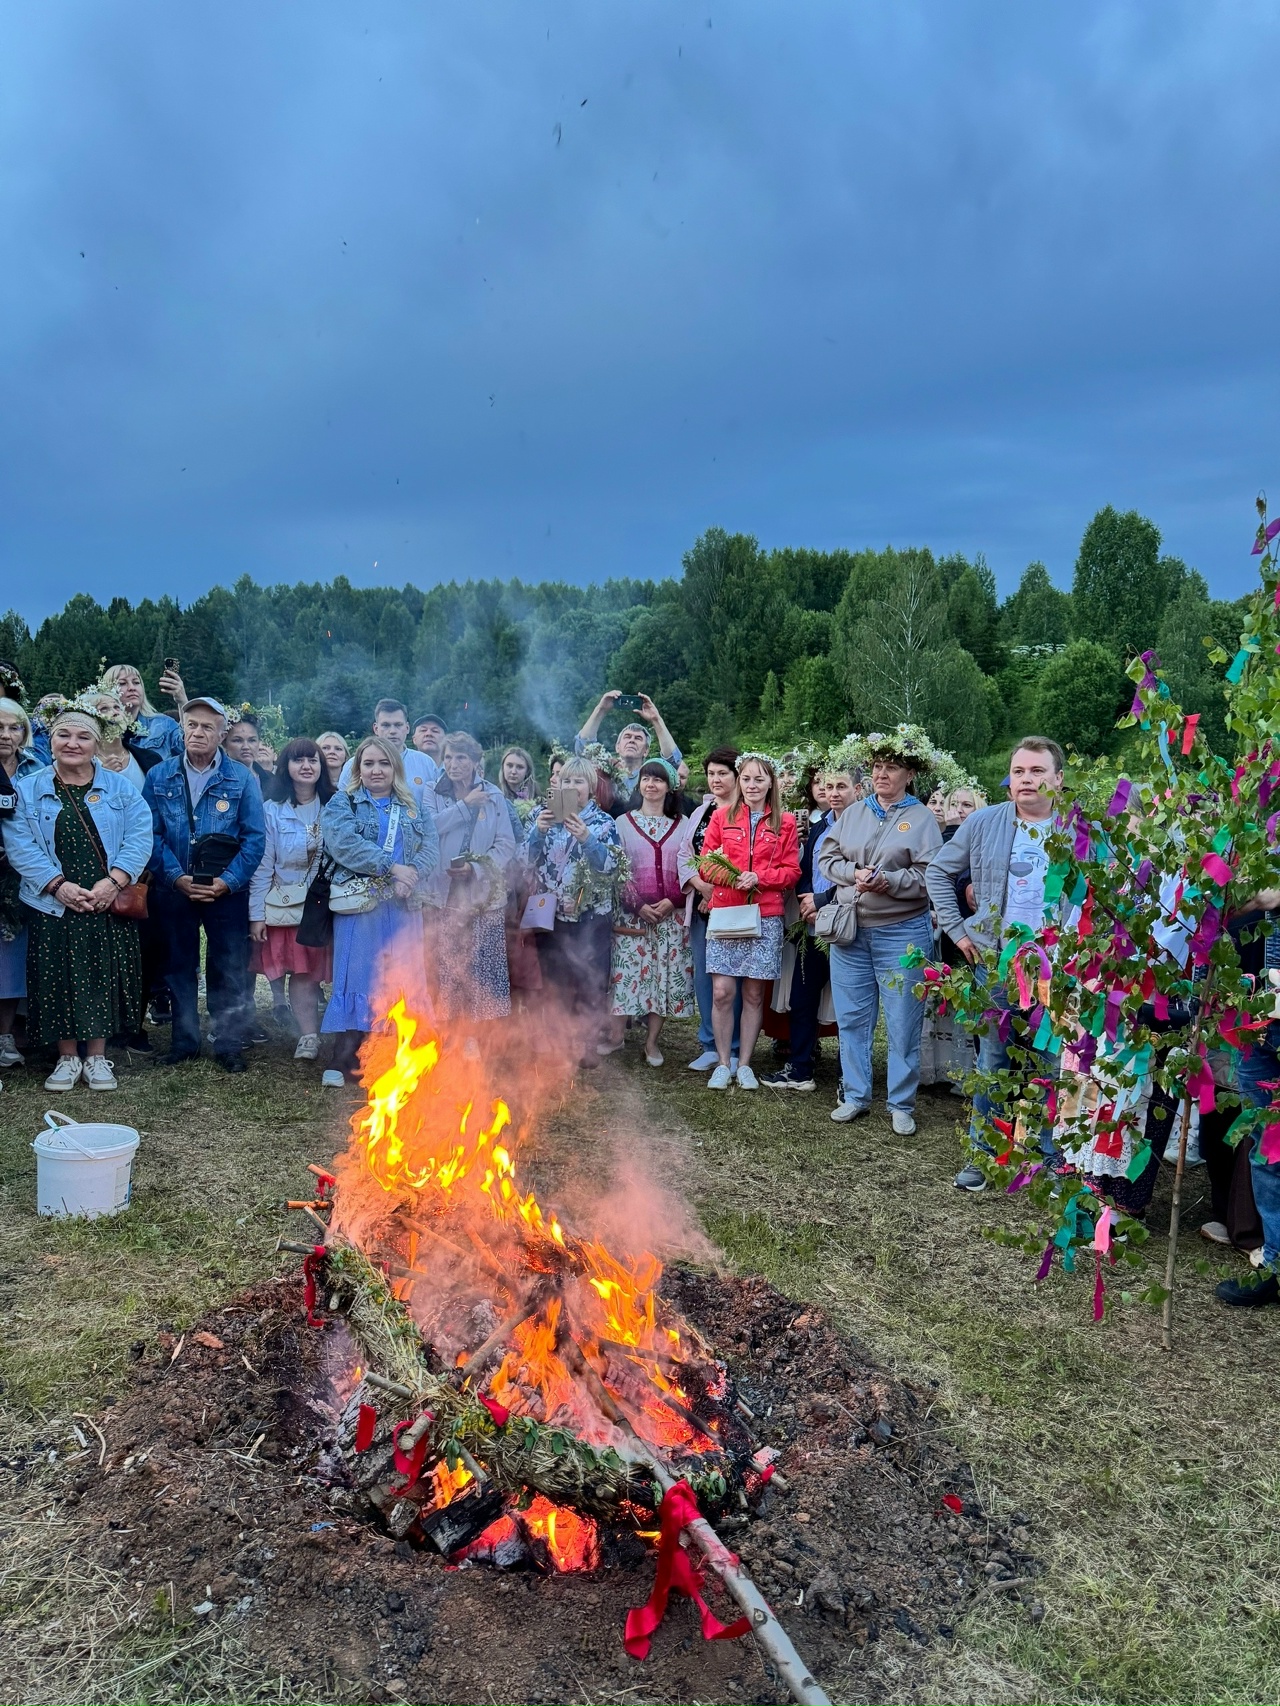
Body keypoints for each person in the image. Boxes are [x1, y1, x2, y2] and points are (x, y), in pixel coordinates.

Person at [925, 737, 1066, 1190]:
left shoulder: (1078, 830)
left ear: (1058, 779)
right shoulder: (984, 822)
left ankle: (1050, 1157)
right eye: (1019, 771)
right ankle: (983, 1155)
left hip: (1058, 967)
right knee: (992, 1058)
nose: (1026, 779)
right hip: (997, 962)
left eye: (1037, 771)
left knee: (1053, 1062)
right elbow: (938, 872)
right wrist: (958, 931)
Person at [2, 706, 153, 1091]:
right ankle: (67, 1058)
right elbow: (20, 845)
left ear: (97, 743)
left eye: (83, 737)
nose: (73, 743)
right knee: (56, 977)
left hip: (105, 898)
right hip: (52, 901)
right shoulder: (28, 789)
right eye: (64, 735)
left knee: (100, 974)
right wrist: (57, 885)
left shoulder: (120, 788)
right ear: (50, 740)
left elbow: (140, 836)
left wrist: (113, 882)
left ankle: (97, 1057)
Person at [818, 736, 943, 1131]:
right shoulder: (854, 812)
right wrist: (852, 873)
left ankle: (901, 1103)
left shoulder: (922, 819)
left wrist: (889, 881)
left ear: (910, 773)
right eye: (876, 766)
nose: (881, 774)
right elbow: (827, 858)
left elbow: (930, 875)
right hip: (851, 931)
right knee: (852, 1018)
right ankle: (855, 1095)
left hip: (902, 933)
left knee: (903, 1020)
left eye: (891, 767)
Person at [144, 696, 266, 1073]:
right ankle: (184, 1042)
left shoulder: (242, 778)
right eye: (192, 725)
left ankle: (228, 1042)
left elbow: (255, 839)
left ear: (222, 733)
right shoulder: (159, 775)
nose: (198, 732)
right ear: (182, 729)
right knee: (178, 965)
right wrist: (175, 877)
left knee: (228, 966)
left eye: (207, 727)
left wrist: (228, 882)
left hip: (226, 892)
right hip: (174, 889)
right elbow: (149, 834)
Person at [320, 737, 439, 1084]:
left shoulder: (413, 805)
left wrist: (411, 874)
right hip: (361, 906)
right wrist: (391, 868)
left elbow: (430, 847)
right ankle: (345, 1056)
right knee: (358, 975)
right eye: (368, 763)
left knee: (403, 976)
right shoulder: (344, 802)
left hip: (403, 905)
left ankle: (398, 1055)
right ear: (358, 768)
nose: (376, 770)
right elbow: (343, 844)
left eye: (384, 763)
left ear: (395, 767)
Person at [699, 754, 801, 1091]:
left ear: (771, 783)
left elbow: (792, 871)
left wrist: (760, 877)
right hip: (727, 912)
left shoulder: (785, 822)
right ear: (739, 782)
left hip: (765, 915)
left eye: (759, 779)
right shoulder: (721, 817)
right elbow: (705, 864)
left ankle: (744, 1064)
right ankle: (723, 1063)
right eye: (746, 779)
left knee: (754, 994)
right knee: (722, 992)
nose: (752, 785)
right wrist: (732, 877)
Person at [763, 764, 858, 1091]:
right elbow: (804, 869)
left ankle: (850, 1075)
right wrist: (807, 900)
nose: (833, 793)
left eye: (841, 786)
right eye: (829, 787)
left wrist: (822, 901)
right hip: (813, 926)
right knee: (802, 999)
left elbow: (859, 873)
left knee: (849, 1005)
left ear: (858, 790)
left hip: (848, 926)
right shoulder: (818, 827)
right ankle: (800, 1069)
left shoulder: (865, 827)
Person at [524, 756, 622, 1061]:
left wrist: (587, 838)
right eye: (566, 780)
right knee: (554, 980)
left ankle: (587, 1043)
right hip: (550, 914)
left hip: (590, 916)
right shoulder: (541, 816)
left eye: (578, 781)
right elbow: (522, 860)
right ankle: (559, 1043)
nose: (572, 786)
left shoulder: (604, 822)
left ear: (590, 787)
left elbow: (611, 867)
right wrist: (537, 832)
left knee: (590, 979)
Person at [249, 738, 334, 1059]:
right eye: (299, 760)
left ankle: (344, 1032)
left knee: (326, 972)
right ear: (285, 767)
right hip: (288, 906)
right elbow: (263, 866)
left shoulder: (336, 806)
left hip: (329, 906)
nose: (307, 766)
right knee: (302, 973)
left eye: (313, 760)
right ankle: (309, 1036)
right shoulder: (272, 810)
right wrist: (257, 915)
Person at [608, 760, 695, 1066]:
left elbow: (690, 868)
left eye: (658, 780)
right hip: (632, 917)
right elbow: (617, 871)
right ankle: (615, 1037)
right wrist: (638, 905)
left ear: (669, 787)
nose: (651, 785)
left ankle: (652, 1043)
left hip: (671, 918)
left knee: (664, 979)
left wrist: (673, 900)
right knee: (624, 977)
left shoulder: (684, 825)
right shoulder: (622, 823)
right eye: (646, 779)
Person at [425, 732, 515, 1023]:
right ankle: (451, 1031)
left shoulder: (494, 795)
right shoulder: (431, 791)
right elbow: (428, 830)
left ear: (476, 761)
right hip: (443, 893)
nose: (453, 764)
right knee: (449, 967)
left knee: (483, 968)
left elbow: (506, 844)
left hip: (483, 895)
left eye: (461, 757)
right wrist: (465, 806)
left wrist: (476, 868)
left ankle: (482, 1036)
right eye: (448, 757)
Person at [680, 748, 742, 1073]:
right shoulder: (701, 811)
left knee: (732, 979)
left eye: (722, 773)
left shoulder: (747, 811)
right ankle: (709, 1043)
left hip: (734, 907)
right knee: (705, 975)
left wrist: (715, 891)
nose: (715, 779)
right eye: (711, 773)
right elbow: (684, 853)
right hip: (701, 905)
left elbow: (745, 860)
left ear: (737, 776)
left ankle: (735, 1047)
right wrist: (698, 884)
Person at [0, 698, 45, 1070]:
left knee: (12, 959)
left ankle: (7, 1035)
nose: (5, 735)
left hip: (23, 877)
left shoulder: (36, 767)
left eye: (14, 727)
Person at [575, 692, 682, 808]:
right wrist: (601, 709)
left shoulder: (651, 775)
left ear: (646, 751)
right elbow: (583, 747)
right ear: (617, 747)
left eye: (638, 738)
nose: (632, 741)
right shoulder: (604, 769)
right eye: (627, 737)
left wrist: (656, 719)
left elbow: (673, 760)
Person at [339, 700, 440, 805]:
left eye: (398, 725)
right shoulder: (354, 765)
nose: (393, 731)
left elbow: (437, 805)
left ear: (407, 728)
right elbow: (340, 805)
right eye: (386, 725)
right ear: (376, 729)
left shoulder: (426, 763)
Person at [100, 662, 187, 760]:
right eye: (122, 683)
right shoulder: (99, 728)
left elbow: (188, 749)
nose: (132, 688)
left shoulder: (163, 725)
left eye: (136, 682)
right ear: (108, 691)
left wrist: (182, 701)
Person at [224, 714, 275, 789]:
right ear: (224, 743)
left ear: (259, 742)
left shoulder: (272, 781)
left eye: (252, 740)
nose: (246, 747)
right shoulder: (216, 777)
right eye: (237, 740)